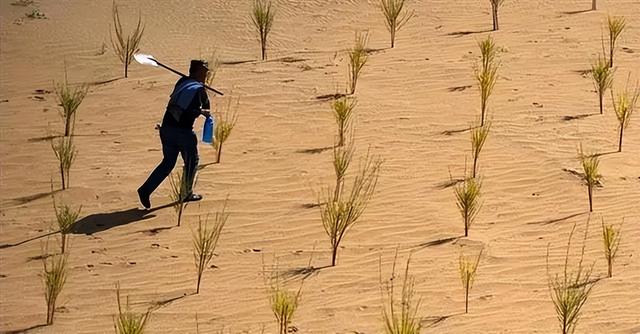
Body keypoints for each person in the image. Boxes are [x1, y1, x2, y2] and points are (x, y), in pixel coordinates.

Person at [137, 59, 211, 209]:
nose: (206, 74)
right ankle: (186, 193)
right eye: (204, 72)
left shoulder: (182, 82)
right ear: (197, 72)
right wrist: (201, 111)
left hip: (166, 130)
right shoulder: (197, 89)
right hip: (182, 132)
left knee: (168, 162)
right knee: (192, 161)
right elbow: (197, 108)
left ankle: (145, 190)